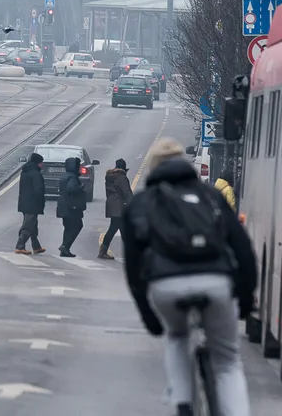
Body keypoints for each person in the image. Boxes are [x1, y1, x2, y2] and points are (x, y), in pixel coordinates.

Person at [121, 138, 257, 416]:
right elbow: (243, 249)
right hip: (216, 282)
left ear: (153, 168)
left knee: (177, 336)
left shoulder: (140, 203)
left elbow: (133, 267)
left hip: (165, 285)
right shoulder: (211, 196)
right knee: (227, 360)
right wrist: (245, 299)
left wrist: (148, 314)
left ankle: (183, 405)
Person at [98, 158, 133, 260]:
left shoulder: (110, 176)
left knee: (115, 228)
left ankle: (103, 250)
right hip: (120, 206)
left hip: (112, 205)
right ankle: (131, 254)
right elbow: (127, 192)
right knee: (120, 230)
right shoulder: (121, 178)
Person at [14, 152, 47, 255]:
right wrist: (41, 201)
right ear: (37, 163)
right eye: (41, 162)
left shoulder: (25, 172)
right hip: (32, 203)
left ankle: (36, 247)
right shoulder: (35, 174)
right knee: (28, 225)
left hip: (25, 202)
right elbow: (38, 190)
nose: (42, 164)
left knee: (33, 225)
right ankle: (20, 246)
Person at [56, 156, 87, 257]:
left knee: (68, 227)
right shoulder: (72, 177)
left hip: (63, 206)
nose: (79, 168)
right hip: (72, 207)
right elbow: (71, 189)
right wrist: (81, 187)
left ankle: (64, 249)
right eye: (78, 166)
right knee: (77, 226)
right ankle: (65, 246)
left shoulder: (65, 176)